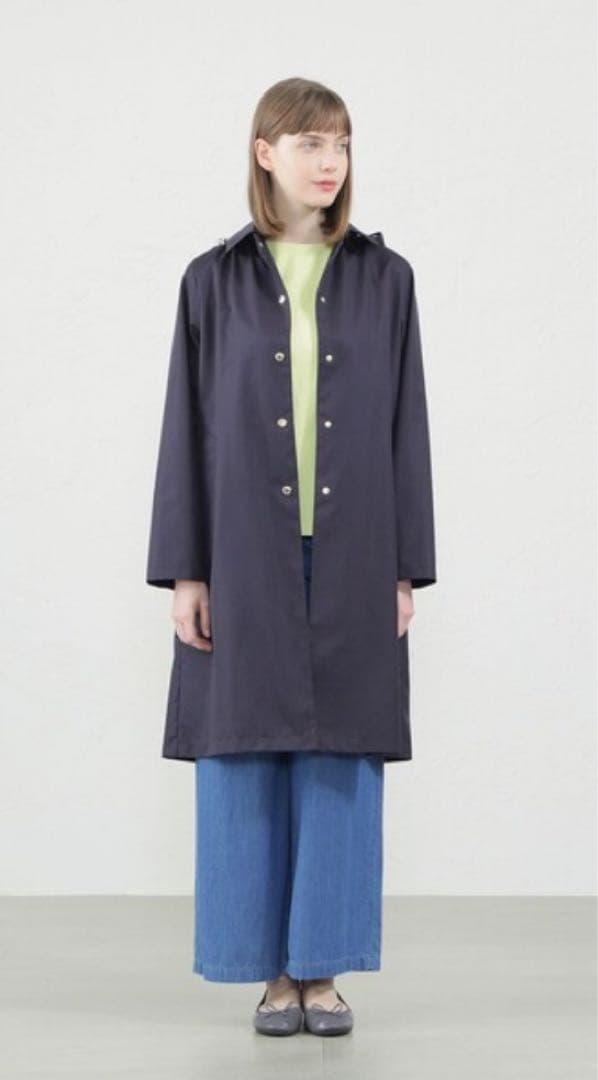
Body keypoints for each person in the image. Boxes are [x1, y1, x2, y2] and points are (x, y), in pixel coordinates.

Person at [145, 76, 437, 1037]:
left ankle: (322, 969)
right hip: (241, 552)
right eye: (311, 143)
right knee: (241, 750)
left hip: (355, 550)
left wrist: (404, 567)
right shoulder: (212, 280)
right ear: (264, 152)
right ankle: (267, 970)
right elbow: (186, 430)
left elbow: (406, 428)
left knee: (341, 752)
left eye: (341, 144)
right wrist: (187, 571)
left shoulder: (386, 280)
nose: (330, 162)